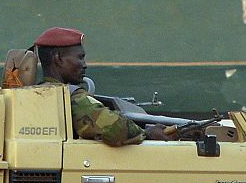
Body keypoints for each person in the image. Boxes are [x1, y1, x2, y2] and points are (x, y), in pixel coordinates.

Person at [33, 26, 168, 146]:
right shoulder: (69, 97)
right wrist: (148, 133)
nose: (84, 64)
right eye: (80, 57)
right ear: (59, 59)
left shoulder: (37, 92)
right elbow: (115, 128)